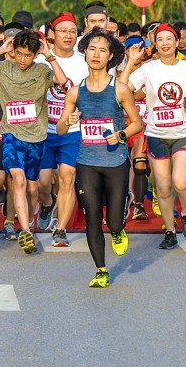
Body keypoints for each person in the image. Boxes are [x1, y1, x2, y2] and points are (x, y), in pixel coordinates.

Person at [56, 29, 145, 287]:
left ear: (111, 57)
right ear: (85, 52)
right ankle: (101, 270)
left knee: (114, 219)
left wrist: (120, 134)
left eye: (102, 50)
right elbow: (61, 128)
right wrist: (68, 120)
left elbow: (137, 124)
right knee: (93, 216)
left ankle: (117, 231)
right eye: (92, 48)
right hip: (86, 162)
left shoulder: (120, 89)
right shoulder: (75, 91)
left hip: (115, 162)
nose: (96, 54)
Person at [0, 29, 68, 254]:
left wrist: (48, 54)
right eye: (19, 54)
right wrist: (3, 50)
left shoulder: (42, 70)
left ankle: (32, 220)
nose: (23, 59)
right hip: (11, 135)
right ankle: (25, 230)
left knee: (33, 189)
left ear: (35, 55)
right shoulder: (3, 68)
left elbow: (63, 81)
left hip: (36, 137)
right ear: (14, 52)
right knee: (18, 180)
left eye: (28, 55)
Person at [125, 23, 186, 250]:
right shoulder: (148, 68)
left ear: (178, 41)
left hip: (183, 133)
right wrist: (131, 60)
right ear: (154, 44)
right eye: (160, 40)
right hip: (156, 134)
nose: (165, 43)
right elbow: (123, 88)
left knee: (181, 182)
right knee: (163, 188)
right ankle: (170, 230)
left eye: (169, 39)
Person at [38, 12, 88, 248]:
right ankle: (48, 203)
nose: (68, 36)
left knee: (68, 178)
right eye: (63, 31)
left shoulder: (84, 61)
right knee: (42, 183)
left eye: (72, 31)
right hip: (42, 130)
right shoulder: (39, 61)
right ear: (52, 34)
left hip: (73, 130)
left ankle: (61, 229)